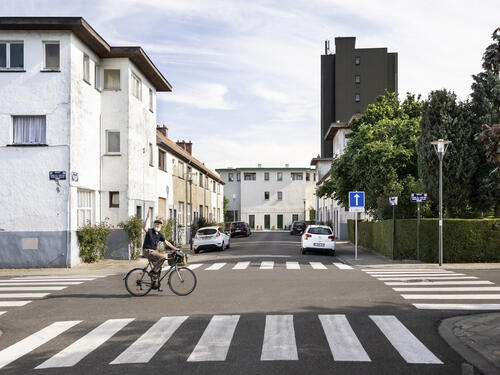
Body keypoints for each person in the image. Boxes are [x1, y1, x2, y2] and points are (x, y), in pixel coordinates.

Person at [142, 210, 177, 280]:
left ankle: (156, 283)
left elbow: (167, 242)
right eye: (156, 224)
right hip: (147, 251)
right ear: (153, 225)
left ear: (161, 226)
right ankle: (152, 272)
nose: (157, 225)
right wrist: (147, 217)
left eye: (159, 224)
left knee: (159, 267)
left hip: (153, 252)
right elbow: (144, 228)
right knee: (163, 257)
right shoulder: (150, 231)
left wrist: (175, 249)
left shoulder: (160, 234)